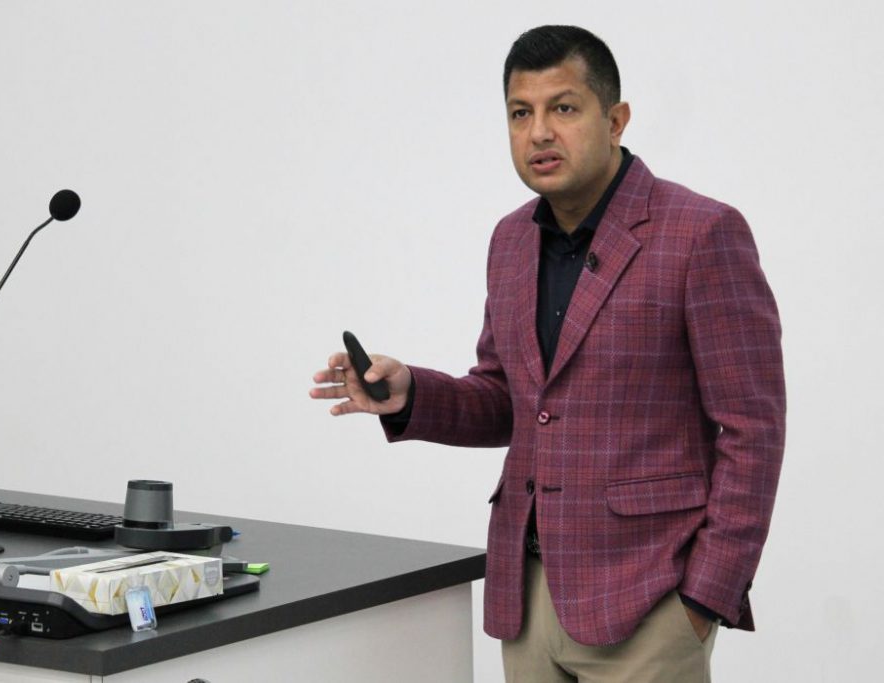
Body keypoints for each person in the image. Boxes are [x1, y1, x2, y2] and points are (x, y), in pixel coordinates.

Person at [310, 25, 784, 683]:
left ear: (615, 119)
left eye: (563, 108)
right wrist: (410, 392)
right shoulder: (509, 241)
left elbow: (753, 432)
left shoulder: (701, 234)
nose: (538, 132)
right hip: (526, 599)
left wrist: (705, 597)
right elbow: (507, 399)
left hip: (649, 599)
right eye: (520, 112)